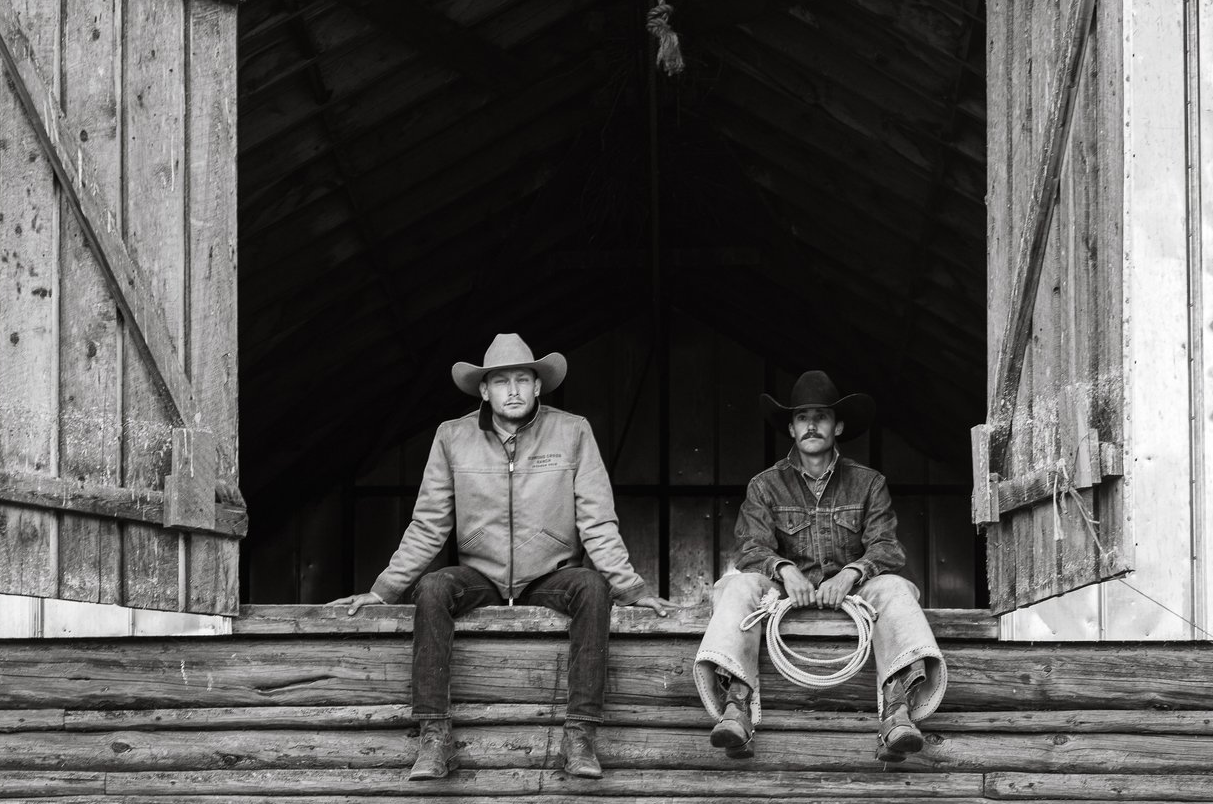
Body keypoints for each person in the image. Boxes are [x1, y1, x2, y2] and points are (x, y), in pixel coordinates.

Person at [337, 333, 661, 780]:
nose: (513, 390)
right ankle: (434, 737)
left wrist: (631, 588)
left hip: (551, 575)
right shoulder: (452, 437)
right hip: (482, 576)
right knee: (432, 587)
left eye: (523, 379)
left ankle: (580, 735)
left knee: (592, 585)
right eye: (501, 381)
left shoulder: (572, 432)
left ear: (538, 386)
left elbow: (597, 518)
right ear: (483, 390)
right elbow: (429, 523)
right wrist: (384, 590)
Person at [695, 371, 947, 762]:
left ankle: (898, 710)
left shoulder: (869, 483)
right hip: (784, 591)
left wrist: (851, 573)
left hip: (854, 590)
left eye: (821, 416)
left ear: (838, 426)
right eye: (801, 417)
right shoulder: (764, 485)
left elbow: (887, 547)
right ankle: (736, 706)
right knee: (736, 586)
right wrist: (783, 569)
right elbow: (750, 546)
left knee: (896, 588)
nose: (811, 425)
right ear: (792, 429)